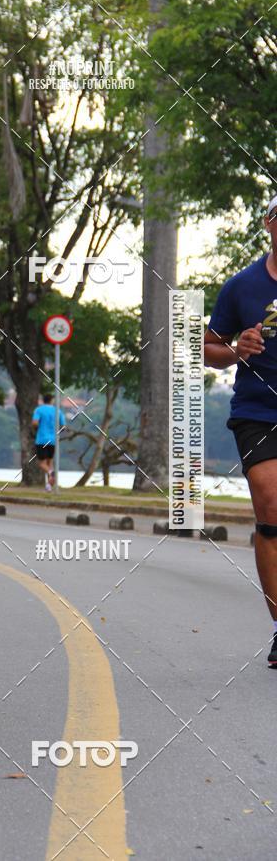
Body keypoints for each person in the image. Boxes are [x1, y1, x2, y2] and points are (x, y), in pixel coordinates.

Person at [205, 194, 277, 668]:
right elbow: (205, 347)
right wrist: (238, 349)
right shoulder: (243, 286)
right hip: (259, 411)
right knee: (271, 509)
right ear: (270, 224)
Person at [32, 394, 66, 491]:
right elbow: (63, 426)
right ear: (52, 400)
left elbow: (34, 422)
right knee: (49, 463)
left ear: (43, 400)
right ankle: (49, 486)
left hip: (41, 439)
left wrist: (37, 428)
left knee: (42, 463)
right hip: (53, 440)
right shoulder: (58, 411)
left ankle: (51, 473)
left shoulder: (39, 410)